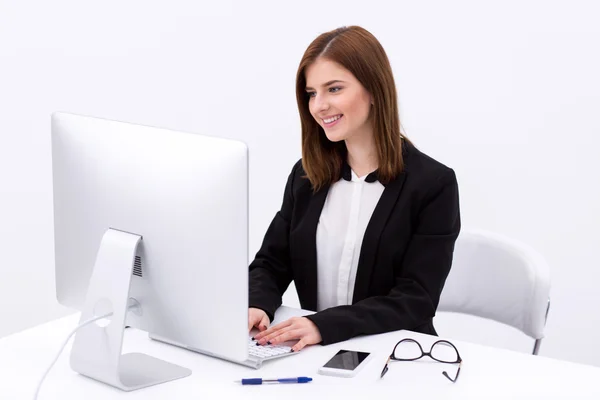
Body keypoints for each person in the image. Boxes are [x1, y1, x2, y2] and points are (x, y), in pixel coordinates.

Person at [248, 25, 461, 353]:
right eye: (311, 93)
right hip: (315, 353)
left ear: (374, 89)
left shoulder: (433, 185)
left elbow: (415, 300)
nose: (319, 106)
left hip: (395, 353)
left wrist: (325, 325)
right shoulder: (306, 176)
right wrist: (257, 304)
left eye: (333, 89)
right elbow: (271, 263)